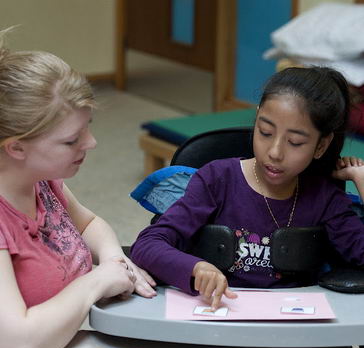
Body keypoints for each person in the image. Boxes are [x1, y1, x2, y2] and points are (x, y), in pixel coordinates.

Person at [130, 66, 364, 311]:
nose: (275, 152)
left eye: (295, 142)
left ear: (320, 146)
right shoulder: (217, 179)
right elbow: (146, 246)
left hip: (290, 326)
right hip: (217, 315)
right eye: (265, 132)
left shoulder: (325, 196)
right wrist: (195, 267)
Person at [0, 29, 157, 348]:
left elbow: (89, 224)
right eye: (72, 140)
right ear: (16, 148)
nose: (91, 143)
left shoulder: (42, 182)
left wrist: (114, 258)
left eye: (88, 126)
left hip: (75, 346)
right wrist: (96, 282)